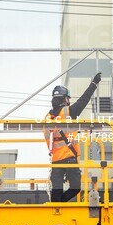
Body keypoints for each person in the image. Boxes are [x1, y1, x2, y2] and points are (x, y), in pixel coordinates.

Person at [44, 72, 101, 202]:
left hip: (56, 160)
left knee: (56, 191)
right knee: (75, 188)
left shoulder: (47, 118)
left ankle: (56, 209)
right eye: (68, 99)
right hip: (70, 158)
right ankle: (61, 206)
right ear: (64, 99)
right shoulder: (69, 112)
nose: (69, 101)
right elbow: (84, 100)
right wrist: (94, 84)